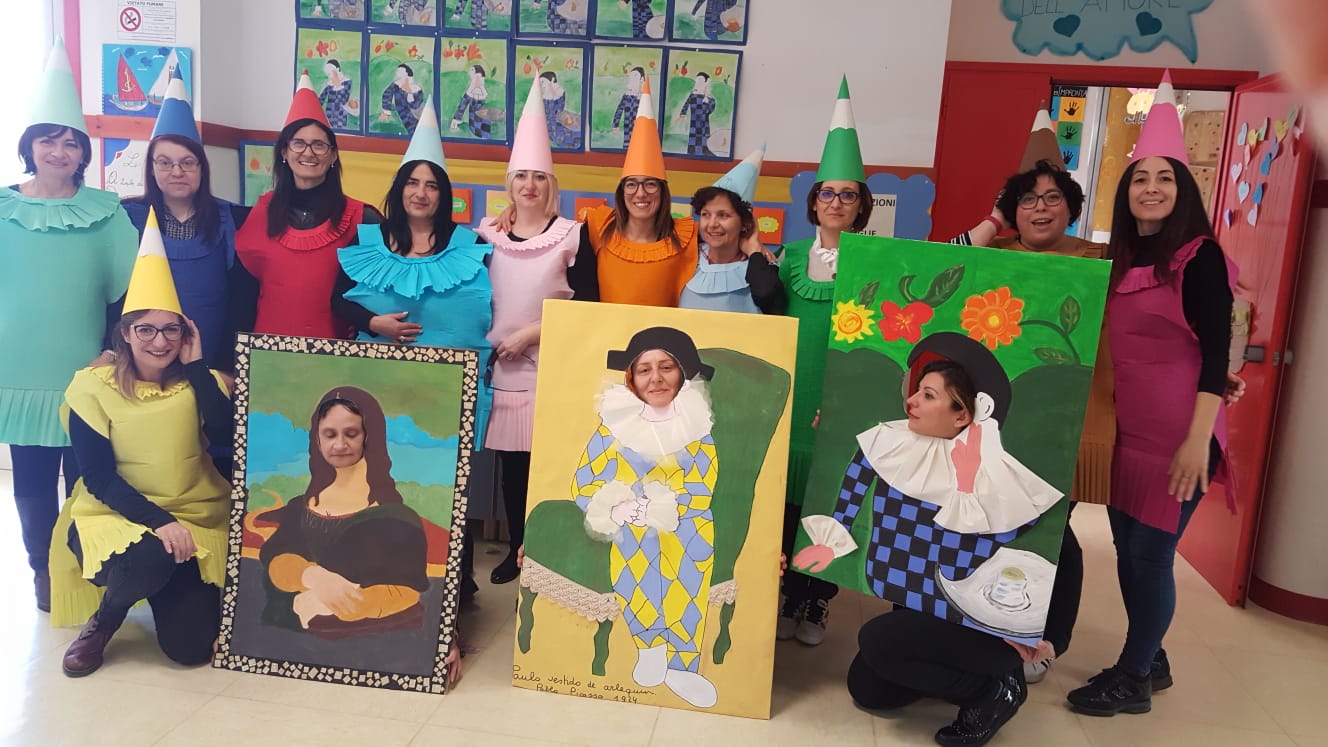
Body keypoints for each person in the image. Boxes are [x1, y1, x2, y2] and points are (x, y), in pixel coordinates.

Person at [1066, 73, 1237, 718]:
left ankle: (1133, 675)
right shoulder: (1115, 262)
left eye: (1165, 178)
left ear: (1182, 190)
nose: (1152, 188)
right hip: (1125, 434)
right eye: (1141, 178)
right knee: (1129, 557)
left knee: (1151, 555)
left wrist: (1198, 441)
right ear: (1126, 192)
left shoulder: (1200, 257)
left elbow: (1215, 353)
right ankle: (1152, 656)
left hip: (1178, 438)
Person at [50, 211, 231, 677]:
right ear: (126, 334)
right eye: (145, 329)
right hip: (113, 517)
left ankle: (162, 584)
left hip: (193, 518)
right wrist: (160, 521)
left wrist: (197, 366)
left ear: (185, 334)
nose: (159, 341)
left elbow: (227, 437)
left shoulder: (201, 382)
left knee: (191, 649)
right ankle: (104, 622)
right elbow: (98, 477)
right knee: (150, 554)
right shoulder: (93, 387)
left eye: (171, 329)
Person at [0, 38, 139, 611]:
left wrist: (115, 352)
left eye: (70, 142)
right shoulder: (2, 208)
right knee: (31, 479)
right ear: (29, 145)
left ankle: (85, 567)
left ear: (83, 151)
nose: (59, 151)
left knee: (87, 475)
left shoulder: (106, 211)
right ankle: (42, 569)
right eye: (48, 140)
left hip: (85, 367)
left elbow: (130, 294)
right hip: (16, 367)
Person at [335, 103, 491, 602]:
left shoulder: (469, 244)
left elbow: (485, 310)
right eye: (412, 183)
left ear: (443, 195)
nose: (420, 193)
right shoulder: (369, 242)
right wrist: (373, 323)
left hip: (444, 393)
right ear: (399, 189)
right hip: (381, 385)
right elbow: (338, 302)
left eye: (431, 185)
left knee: (445, 487)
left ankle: (455, 591)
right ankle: (380, 576)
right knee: (382, 480)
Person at [475, 82, 596, 585]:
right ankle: (515, 550)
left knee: (550, 463)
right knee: (511, 467)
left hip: (551, 366)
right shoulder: (487, 234)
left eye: (539, 177)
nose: (529, 185)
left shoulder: (573, 235)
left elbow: (588, 304)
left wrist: (530, 334)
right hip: (500, 370)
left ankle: (544, 548)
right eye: (521, 176)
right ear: (510, 185)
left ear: (552, 185)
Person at [572, 327, 719, 708]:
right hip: (632, 530)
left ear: (683, 373)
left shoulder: (696, 426)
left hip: (687, 528)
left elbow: (704, 483)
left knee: (686, 590)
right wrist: (616, 506)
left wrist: (668, 506)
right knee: (635, 583)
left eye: (666, 367)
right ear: (631, 378)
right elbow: (585, 480)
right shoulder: (614, 425)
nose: (656, 378)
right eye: (644, 369)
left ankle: (683, 665)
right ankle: (650, 645)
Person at [777, 76, 872, 646]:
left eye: (848, 195)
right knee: (786, 503)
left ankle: (816, 600)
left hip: (836, 401)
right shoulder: (786, 257)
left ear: (861, 205)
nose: (836, 202)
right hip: (792, 393)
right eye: (828, 193)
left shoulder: (873, 262)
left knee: (829, 506)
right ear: (813, 201)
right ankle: (786, 592)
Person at [258, 386, 431, 635]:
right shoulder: (299, 507)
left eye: (351, 433)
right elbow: (276, 558)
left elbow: (406, 593)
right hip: (289, 641)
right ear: (317, 439)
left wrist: (335, 603)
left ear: (369, 436)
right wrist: (311, 576)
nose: (340, 444)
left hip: (376, 642)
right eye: (330, 434)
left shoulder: (397, 519)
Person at [233, 73, 382, 340]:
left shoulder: (363, 219)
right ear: (284, 152)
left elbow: (382, 289)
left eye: (319, 145)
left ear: (333, 155)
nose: (308, 153)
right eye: (299, 143)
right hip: (268, 350)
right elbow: (243, 293)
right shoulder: (260, 215)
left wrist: (364, 322)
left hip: (336, 353)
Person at [121, 75, 249, 373]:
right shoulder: (127, 218)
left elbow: (239, 302)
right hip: (142, 366)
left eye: (187, 162)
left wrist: (228, 368)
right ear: (151, 169)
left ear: (202, 168)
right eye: (165, 162)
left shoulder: (231, 219)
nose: (177, 172)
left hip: (209, 364)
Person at [585, 78, 698, 305]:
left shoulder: (686, 237)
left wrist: (751, 243)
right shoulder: (598, 226)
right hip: (608, 328)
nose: (640, 193)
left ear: (662, 191)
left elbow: (725, 241)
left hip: (663, 329)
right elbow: (552, 232)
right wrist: (514, 213)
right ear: (621, 191)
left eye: (650, 184)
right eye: (632, 184)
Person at [680, 146, 785, 314]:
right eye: (706, 214)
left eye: (723, 215)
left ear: (745, 223)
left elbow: (768, 297)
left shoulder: (762, 268)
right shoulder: (688, 257)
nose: (712, 224)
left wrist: (754, 251)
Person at [538, 72, 582, 150]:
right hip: (549, 122)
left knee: (575, 123)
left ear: (552, 80)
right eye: (540, 82)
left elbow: (560, 108)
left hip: (558, 117)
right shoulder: (544, 95)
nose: (541, 85)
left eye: (543, 82)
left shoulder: (558, 91)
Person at [677, 72, 716, 157]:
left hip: (704, 126)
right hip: (694, 124)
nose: (698, 83)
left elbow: (709, 111)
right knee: (693, 142)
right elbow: (686, 104)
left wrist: (706, 100)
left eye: (700, 80)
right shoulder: (693, 95)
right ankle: (692, 154)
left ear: (706, 82)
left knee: (704, 142)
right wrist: (682, 114)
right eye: (697, 81)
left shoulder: (710, 99)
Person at [450, 65, 494, 140]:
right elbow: (463, 104)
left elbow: (464, 103)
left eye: (472, 70)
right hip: (475, 121)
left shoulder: (478, 86)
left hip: (480, 121)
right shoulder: (474, 87)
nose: (469, 72)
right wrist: (456, 120)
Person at [379, 64, 424, 133]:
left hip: (416, 118)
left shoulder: (417, 89)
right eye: (398, 73)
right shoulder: (396, 85)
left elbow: (416, 106)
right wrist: (386, 112)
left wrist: (409, 92)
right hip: (402, 115)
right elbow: (387, 94)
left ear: (408, 76)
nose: (398, 76)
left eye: (401, 74)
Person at [611, 67, 645, 149]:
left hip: (639, 131)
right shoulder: (627, 97)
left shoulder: (643, 98)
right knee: (628, 148)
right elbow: (619, 110)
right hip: (628, 133)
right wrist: (615, 125)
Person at [319, 60, 354, 130]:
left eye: (330, 73)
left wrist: (337, 84)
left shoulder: (347, 82)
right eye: (328, 74)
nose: (329, 77)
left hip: (340, 118)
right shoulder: (329, 86)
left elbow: (343, 101)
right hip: (328, 118)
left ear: (337, 70)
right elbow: (320, 100)